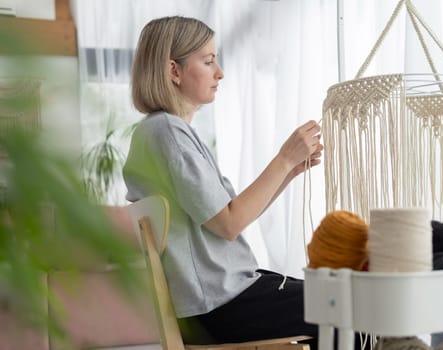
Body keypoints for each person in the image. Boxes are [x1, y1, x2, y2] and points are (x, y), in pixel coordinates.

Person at [123, 16, 323, 347]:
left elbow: (231, 215)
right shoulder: (166, 131)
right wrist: (284, 159)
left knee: (340, 301)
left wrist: (288, 172)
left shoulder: (165, 132)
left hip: (217, 299)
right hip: (216, 305)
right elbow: (229, 224)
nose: (220, 73)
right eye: (208, 61)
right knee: (345, 308)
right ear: (174, 71)